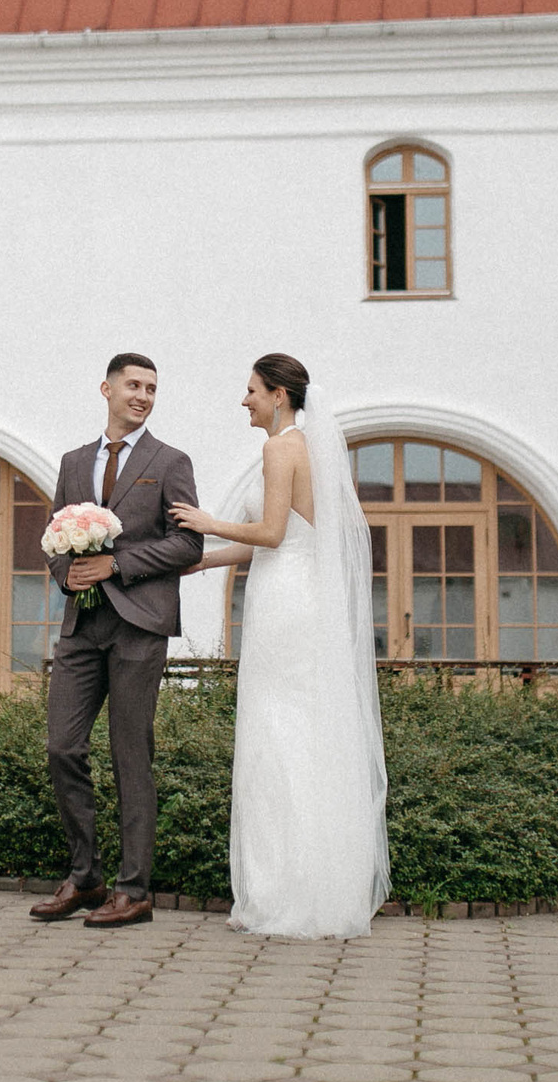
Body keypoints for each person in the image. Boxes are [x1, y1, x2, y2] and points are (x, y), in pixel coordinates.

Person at [173, 353, 390, 938]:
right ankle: (313, 886)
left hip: (284, 600)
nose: (244, 400)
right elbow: (283, 537)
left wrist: (207, 523)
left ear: (278, 396)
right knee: (299, 729)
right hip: (301, 592)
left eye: (251, 390)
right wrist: (205, 562)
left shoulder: (279, 449)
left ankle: (280, 893)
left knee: (276, 731)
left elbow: (269, 534)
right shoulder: (305, 450)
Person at [28, 353, 205, 929]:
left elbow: (189, 544)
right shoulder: (74, 462)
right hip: (81, 628)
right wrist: (68, 574)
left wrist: (117, 564)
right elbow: (55, 534)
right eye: (133, 385)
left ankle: (133, 890)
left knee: (131, 757)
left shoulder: (170, 462)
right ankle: (86, 877)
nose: (143, 396)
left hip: (139, 625)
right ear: (106, 389)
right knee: (62, 748)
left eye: (151, 388)